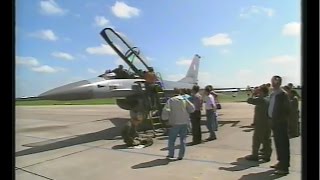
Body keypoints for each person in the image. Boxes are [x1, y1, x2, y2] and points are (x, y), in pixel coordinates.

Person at [161, 89, 195, 160]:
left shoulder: (171, 100)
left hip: (175, 123)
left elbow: (166, 110)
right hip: (184, 122)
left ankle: (171, 154)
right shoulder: (184, 100)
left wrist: (165, 119)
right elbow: (192, 109)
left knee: (172, 140)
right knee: (183, 139)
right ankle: (181, 156)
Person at [268, 75, 291, 175]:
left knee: (283, 145)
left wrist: (280, 120)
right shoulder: (273, 94)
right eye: (273, 81)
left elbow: (287, 110)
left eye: (275, 81)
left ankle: (284, 167)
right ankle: (280, 162)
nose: (273, 83)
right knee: (278, 144)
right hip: (274, 122)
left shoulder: (283, 94)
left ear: (280, 82)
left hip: (280, 123)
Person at [245, 85, 272, 162]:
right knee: (266, 140)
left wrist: (253, 93)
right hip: (268, 122)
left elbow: (249, 100)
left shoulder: (262, 100)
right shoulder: (269, 98)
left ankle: (254, 155)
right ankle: (267, 155)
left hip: (261, 123)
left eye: (259, 91)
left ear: (262, 92)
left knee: (256, 139)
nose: (258, 92)